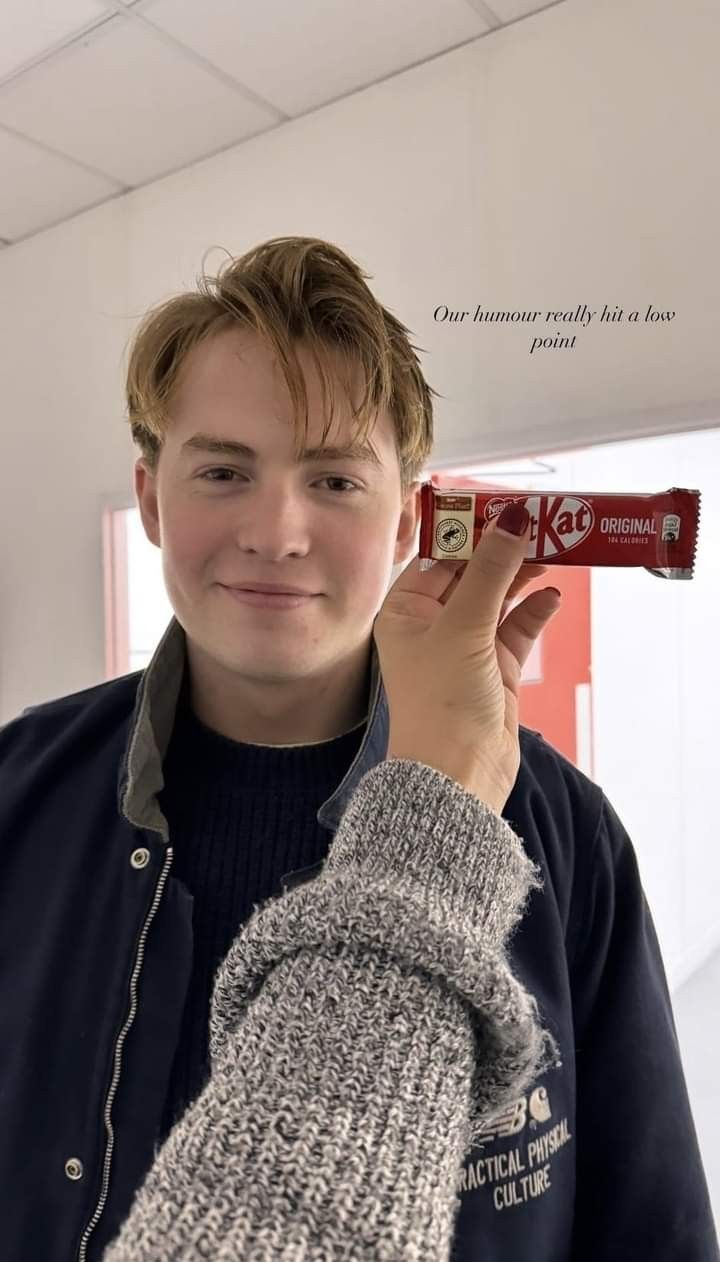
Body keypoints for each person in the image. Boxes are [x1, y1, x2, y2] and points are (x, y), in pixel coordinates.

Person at [0, 237, 717, 1262]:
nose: (277, 530)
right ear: (153, 498)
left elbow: (653, 1229)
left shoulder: (564, 832)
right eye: (221, 469)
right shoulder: (16, 788)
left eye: (334, 478)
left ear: (410, 521)